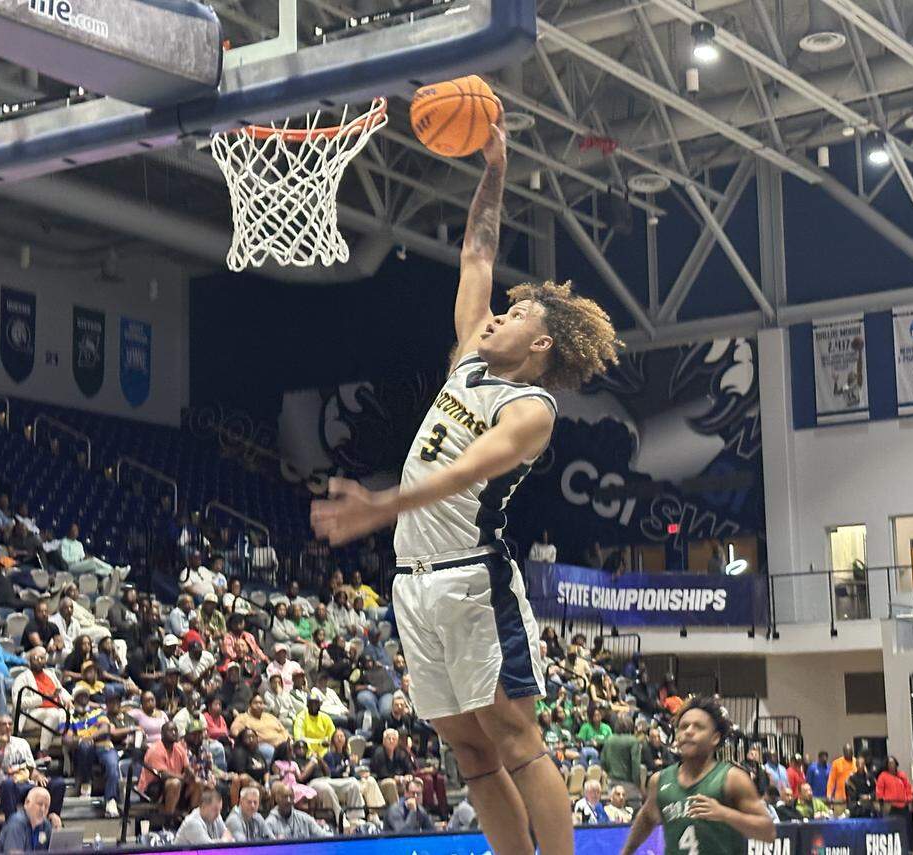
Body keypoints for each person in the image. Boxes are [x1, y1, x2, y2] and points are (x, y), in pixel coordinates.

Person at [310, 115, 621, 855]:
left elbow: (463, 472)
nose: (500, 314)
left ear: (540, 345)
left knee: (515, 735)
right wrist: (495, 168)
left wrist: (383, 503)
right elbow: (477, 250)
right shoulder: (469, 362)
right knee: (469, 750)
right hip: (414, 582)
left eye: (516, 315)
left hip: (471, 580)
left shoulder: (531, 409)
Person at [620, 697, 775, 855]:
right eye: (683, 727)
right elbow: (646, 818)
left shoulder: (732, 778)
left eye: (698, 727)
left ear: (715, 738)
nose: (688, 731)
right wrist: (626, 852)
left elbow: (768, 831)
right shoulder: (659, 781)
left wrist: (725, 814)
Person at [0, 714, 66, 821]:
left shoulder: (22, 743)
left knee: (58, 783)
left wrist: (38, 776)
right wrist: (2, 749)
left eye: (10, 724)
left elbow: (31, 769)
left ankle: (51, 820)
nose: (7, 727)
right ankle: (12, 823)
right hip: (4, 786)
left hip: (26, 784)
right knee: (8, 784)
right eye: (3, 724)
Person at [61, 686, 122, 817]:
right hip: (84, 750)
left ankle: (111, 800)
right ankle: (86, 784)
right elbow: (67, 739)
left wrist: (88, 737)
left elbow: (105, 729)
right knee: (85, 745)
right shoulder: (70, 717)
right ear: (75, 698)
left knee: (112, 762)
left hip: (103, 745)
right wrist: (83, 739)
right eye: (80, 695)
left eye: (86, 695)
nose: (84, 697)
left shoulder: (98, 712)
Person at [0, 785, 53, 853]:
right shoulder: (17, 824)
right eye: (39, 804)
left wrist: (58, 830)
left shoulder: (46, 825)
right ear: (27, 803)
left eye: (46, 806)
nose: (43, 809)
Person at [265, 780, 329, 839]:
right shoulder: (269, 823)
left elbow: (324, 836)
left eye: (291, 796)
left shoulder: (305, 819)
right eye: (285, 797)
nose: (288, 800)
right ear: (277, 799)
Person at [601, 716, 641, 791]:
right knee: (634, 802)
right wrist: (637, 784)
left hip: (612, 781)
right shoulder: (633, 741)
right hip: (628, 782)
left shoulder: (609, 739)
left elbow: (603, 761)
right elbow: (635, 763)